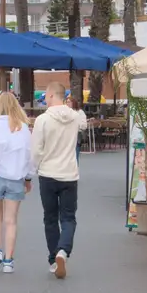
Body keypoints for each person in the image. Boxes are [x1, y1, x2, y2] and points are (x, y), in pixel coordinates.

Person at [31, 88, 87, 279]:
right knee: (69, 217)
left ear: (53, 95)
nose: (45, 100)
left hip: (48, 173)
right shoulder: (76, 118)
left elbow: (36, 149)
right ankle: (63, 250)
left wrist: (34, 168)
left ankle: (54, 258)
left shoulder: (42, 120)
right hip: (70, 173)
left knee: (50, 217)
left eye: (46, 96)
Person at [0, 91, 35, 273]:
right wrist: (28, 178)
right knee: (11, 221)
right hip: (16, 178)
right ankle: (9, 261)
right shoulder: (23, 127)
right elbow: (29, 155)